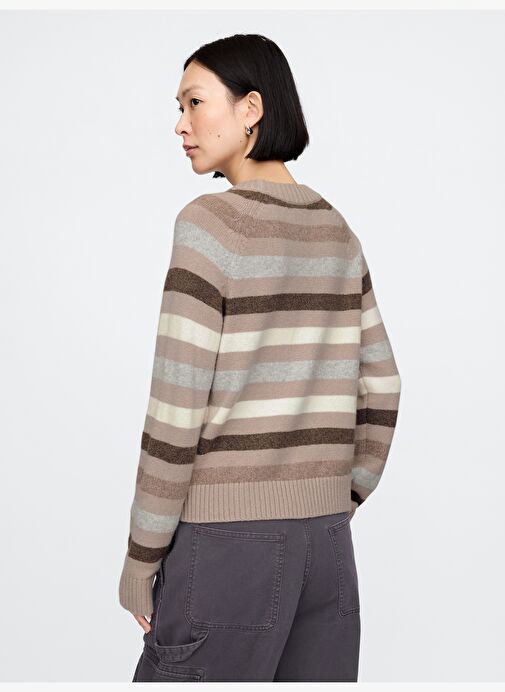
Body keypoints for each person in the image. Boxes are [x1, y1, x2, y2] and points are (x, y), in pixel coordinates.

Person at [118, 33, 401, 683]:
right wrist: (336, 499)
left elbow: (177, 408)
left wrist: (141, 559)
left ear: (251, 109)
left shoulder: (210, 224)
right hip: (327, 551)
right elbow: (383, 385)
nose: (180, 124)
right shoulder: (336, 230)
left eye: (194, 102)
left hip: (226, 550)